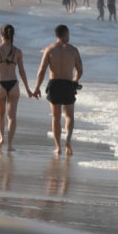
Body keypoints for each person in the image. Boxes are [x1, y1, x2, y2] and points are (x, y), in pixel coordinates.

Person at [32, 24, 83, 157]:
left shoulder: (49, 49)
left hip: (54, 84)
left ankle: (58, 146)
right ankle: (68, 141)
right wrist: (75, 81)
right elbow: (80, 70)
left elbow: (41, 71)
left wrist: (37, 87)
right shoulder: (73, 50)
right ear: (65, 34)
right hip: (67, 84)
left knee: (56, 117)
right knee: (69, 116)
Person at [0, 24, 32, 150]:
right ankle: (9, 144)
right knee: (12, 116)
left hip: (0, 84)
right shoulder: (18, 52)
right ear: (13, 35)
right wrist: (28, 89)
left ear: (1, 35)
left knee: (0, 113)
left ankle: (1, 138)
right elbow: (22, 71)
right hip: (14, 85)